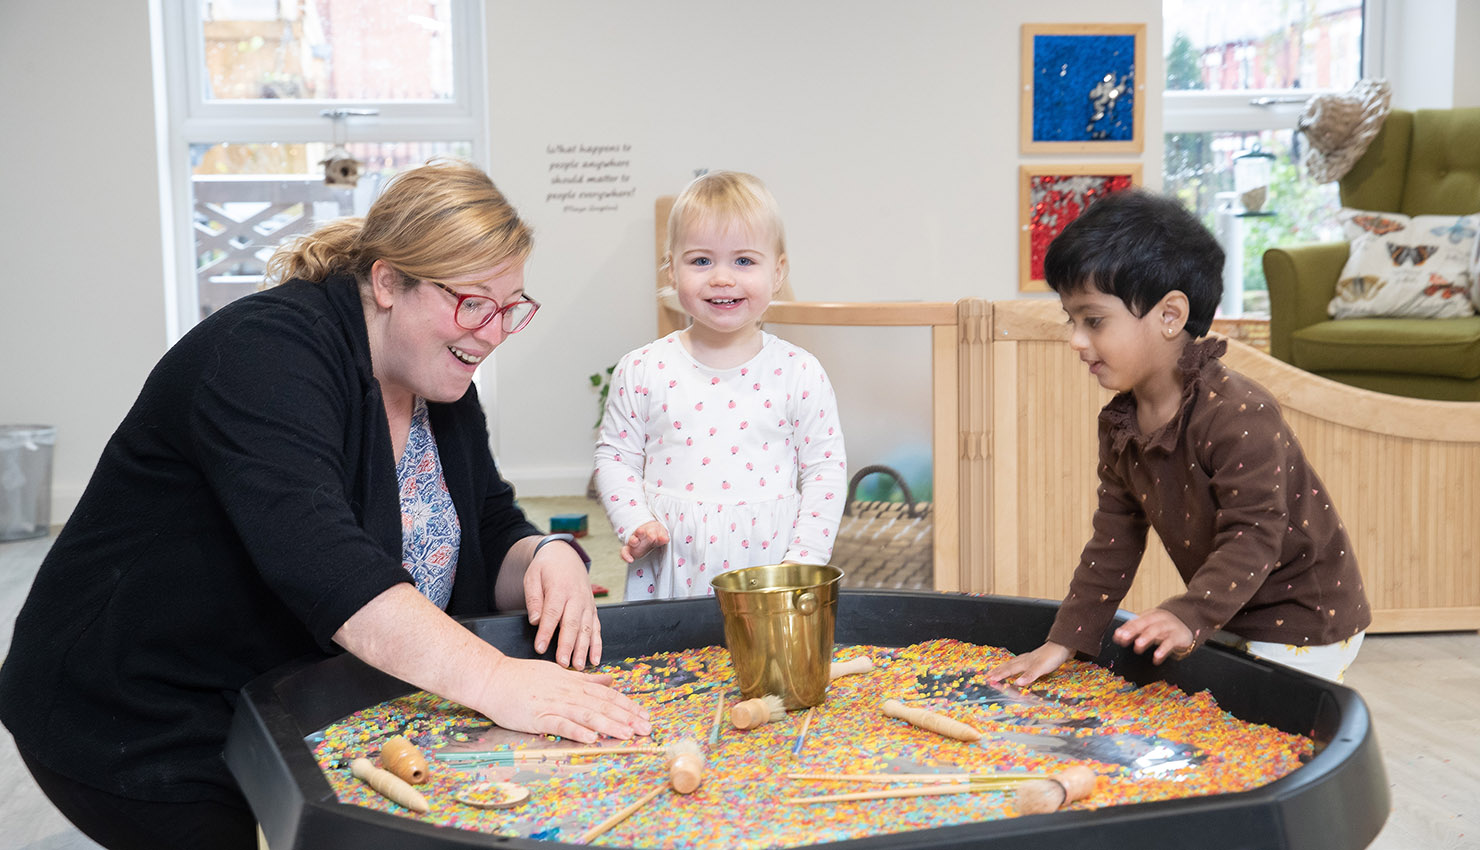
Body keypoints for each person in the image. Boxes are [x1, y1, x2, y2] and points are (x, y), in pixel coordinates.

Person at [0, 159, 650, 850]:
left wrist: (545, 555)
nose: (491, 332)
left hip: (278, 696)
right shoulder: (265, 353)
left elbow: (488, 524)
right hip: (135, 711)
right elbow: (328, 567)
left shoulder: (438, 380)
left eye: (509, 308)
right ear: (388, 282)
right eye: (471, 303)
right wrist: (496, 680)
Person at [987, 190, 1370, 687]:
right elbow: (1113, 540)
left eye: (1093, 320)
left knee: (1251, 726)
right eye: (1071, 320)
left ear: (1170, 316)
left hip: (1305, 618)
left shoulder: (1237, 413)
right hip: (1229, 612)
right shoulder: (1121, 425)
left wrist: (1188, 614)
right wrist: (1064, 640)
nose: (1076, 340)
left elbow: (1255, 533)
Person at [594, 171, 847, 600]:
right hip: (672, 561)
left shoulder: (799, 372)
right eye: (701, 261)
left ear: (778, 272)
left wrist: (805, 558)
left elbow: (825, 469)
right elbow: (615, 457)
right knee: (671, 646)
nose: (722, 278)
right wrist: (635, 521)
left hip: (770, 565)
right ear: (671, 270)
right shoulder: (642, 369)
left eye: (744, 261)